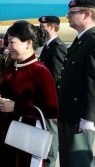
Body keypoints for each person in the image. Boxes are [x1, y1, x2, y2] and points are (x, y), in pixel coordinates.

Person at [0, 20, 58, 167]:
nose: (8, 47)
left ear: (28, 43)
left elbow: (52, 110)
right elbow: (3, 103)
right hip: (5, 133)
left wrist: (17, 107)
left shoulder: (40, 72)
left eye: (12, 42)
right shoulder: (12, 67)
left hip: (26, 138)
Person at [57, 0, 95, 167]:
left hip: (80, 118)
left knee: (80, 163)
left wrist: (89, 117)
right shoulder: (80, 41)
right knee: (67, 162)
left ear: (86, 14)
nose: (67, 16)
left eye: (71, 13)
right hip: (67, 115)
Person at [38, 15, 67, 167]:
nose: (40, 30)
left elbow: (55, 77)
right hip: (44, 98)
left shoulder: (58, 47)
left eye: (43, 27)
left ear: (52, 26)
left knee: (51, 132)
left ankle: (50, 162)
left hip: (51, 99)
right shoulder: (48, 46)